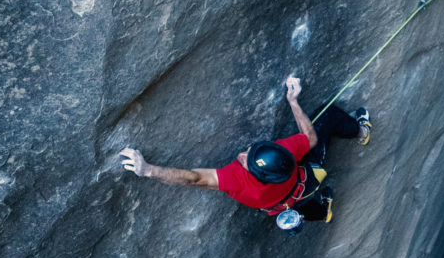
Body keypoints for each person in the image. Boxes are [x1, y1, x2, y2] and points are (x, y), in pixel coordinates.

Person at [119, 76, 371, 223]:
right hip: (300, 182)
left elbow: (194, 178)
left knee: (290, 207)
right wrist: (293, 102)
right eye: (249, 154)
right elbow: (310, 138)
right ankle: (359, 131)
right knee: (327, 115)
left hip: (277, 203)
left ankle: (324, 210)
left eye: (246, 160)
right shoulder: (285, 152)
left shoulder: (238, 183)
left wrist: (148, 170)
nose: (241, 155)